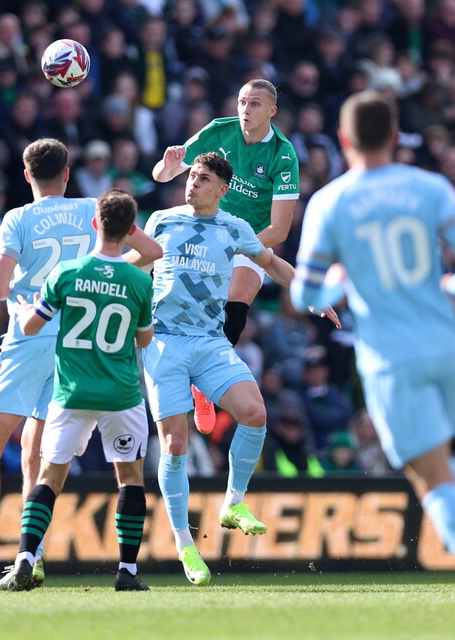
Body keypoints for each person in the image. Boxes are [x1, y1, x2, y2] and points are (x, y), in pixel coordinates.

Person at [290, 91, 455, 631]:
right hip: (449, 346)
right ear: (395, 136)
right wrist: (453, 285)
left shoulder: (331, 202)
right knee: (441, 459)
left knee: (428, 476)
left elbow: (305, 295)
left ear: (345, 140)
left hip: (393, 357)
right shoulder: (430, 186)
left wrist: (341, 288)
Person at [0, 138, 161, 590]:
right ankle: (33, 555)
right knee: (37, 452)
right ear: (67, 173)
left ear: (27, 175)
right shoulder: (92, 209)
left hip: (31, 332)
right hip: (77, 344)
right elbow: (152, 252)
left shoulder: (17, 219)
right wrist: (113, 274)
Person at [132, 152, 329, 586]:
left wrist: (311, 293)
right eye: (192, 176)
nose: (193, 182)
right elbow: (138, 267)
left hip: (208, 341)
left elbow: (272, 263)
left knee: (256, 413)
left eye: (203, 179)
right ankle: (186, 544)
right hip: (164, 341)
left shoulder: (234, 228)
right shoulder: (162, 220)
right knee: (175, 444)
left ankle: (233, 501)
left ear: (222, 190)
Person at [0, 189, 154, 592]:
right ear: (131, 229)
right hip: (120, 394)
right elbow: (144, 341)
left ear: (95, 224)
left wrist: (31, 307)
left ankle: (26, 559)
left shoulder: (66, 272)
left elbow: (31, 326)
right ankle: (127, 572)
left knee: (49, 476)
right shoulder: (138, 280)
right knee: (130, 477)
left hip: (71, 392)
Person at [151, 79, 301, 434]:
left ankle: (203, 385)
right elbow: (162, 175)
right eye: (242, 102)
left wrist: (232, 245)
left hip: (248, 236)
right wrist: (168, 164)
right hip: (202, 224)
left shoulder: (283, 154)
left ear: (271, 112)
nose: (245, 110)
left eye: (254, 104)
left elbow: (279, 231)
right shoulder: (220, 131)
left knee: (238, 298)